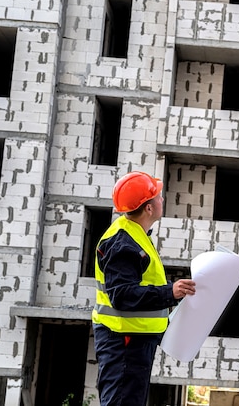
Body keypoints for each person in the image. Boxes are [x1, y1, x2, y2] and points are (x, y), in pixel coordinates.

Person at [92, 171, 196, 406]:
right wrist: (169, 293)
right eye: (157, 196)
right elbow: (122, 295)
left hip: (133, 339)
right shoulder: (123, 244)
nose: (161, 199)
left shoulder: (135, 235)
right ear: (148, 208)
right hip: (124, 341)